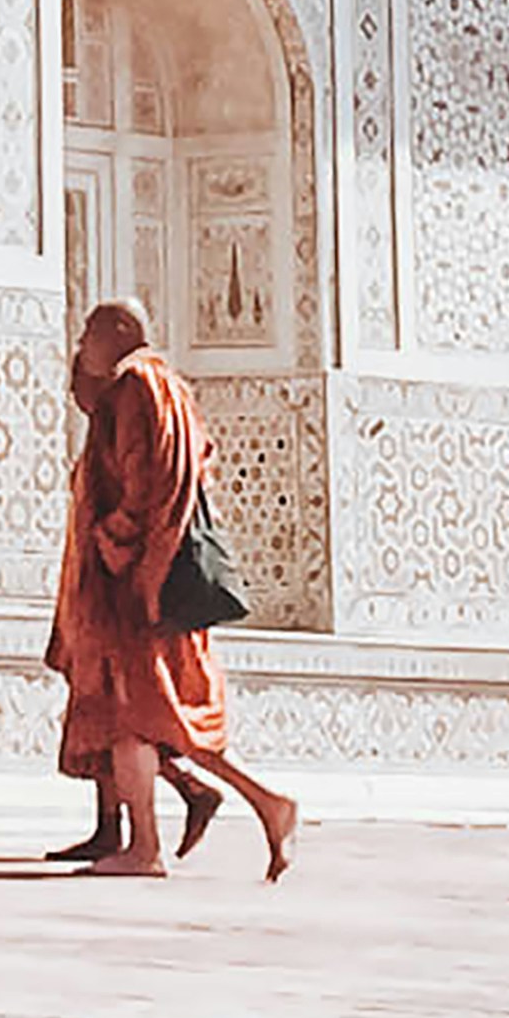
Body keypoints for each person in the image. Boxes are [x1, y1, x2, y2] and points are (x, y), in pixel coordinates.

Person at [44, 298, 297, 880]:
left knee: (144, 715)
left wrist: (115, 541)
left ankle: (150, 847)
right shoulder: (160, 387)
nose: (82, 344)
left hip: (137, 585)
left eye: (89, 332)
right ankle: (259, 807)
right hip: (140, 584)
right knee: (146, 717)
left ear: (121, 333)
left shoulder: (140, 385)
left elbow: (147, 481)